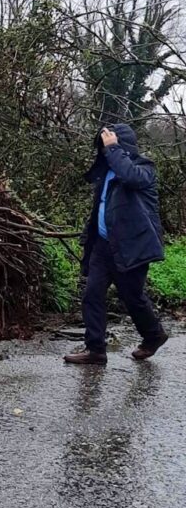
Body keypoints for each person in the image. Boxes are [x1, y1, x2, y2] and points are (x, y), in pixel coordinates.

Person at [64, 124, 168, 365]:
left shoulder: (144, 169)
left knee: (132, 297)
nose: (105, 150)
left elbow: (130, 176)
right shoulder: (107, 172)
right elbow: (100, 209)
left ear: (122, 146)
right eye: (103, 146)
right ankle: (96, 350)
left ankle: (154, 336)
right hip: (103, 245)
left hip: (132, 245)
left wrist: (114, 149)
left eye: (108, 145)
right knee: (92, 294)